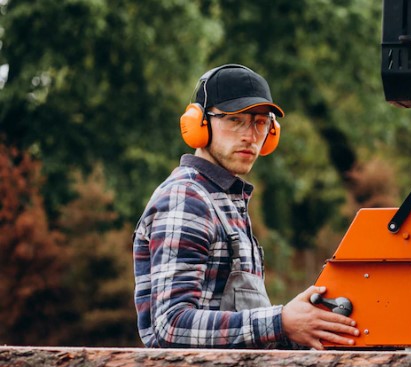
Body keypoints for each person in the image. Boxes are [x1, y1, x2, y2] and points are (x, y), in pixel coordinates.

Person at [133, 64, 359, 349]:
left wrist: (308, 327)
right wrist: (281, 322)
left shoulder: (225, 201)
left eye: (260, 123)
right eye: (235, 120)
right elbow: (170, 325)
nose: (250, 136)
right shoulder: (187, 198)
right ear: (198, 124)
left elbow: (246, 333)